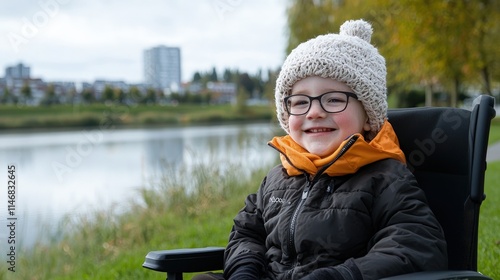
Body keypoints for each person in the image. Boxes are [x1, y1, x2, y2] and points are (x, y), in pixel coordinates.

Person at [194, 19, 448, 280]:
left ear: (369, 117)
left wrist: (341, 275)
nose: (314, 112)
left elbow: (415, 245)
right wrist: (244, 271)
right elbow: (246, 233)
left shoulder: (386, 179)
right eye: (301, 101)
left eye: (334, 99)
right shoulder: (276, 180)